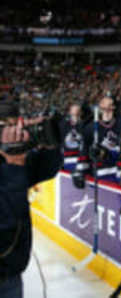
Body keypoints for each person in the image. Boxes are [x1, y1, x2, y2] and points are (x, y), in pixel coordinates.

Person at [0, 101, 62, 298]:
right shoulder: (11, 161)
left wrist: (46, 139)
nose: (12, 132)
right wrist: (14, 164)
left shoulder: (9, 155)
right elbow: (8, 221)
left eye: (14, 125)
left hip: (11, 273)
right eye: (5, 127)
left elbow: (46, 169)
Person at [72, 96, 121, 188]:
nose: (102, 102)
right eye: (102, 101)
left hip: (119, 174)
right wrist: (80, 171)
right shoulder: (90, 128)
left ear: (113, 106)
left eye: (107, 100)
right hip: (99, 174)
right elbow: (84, 150)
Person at [59, 103, 85, 172]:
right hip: (68, 156)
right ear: (70, 112)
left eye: (77, 109)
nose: (76, 111)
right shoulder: (64, 124)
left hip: (80, 156)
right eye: (74, 109)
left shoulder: (83, 124)